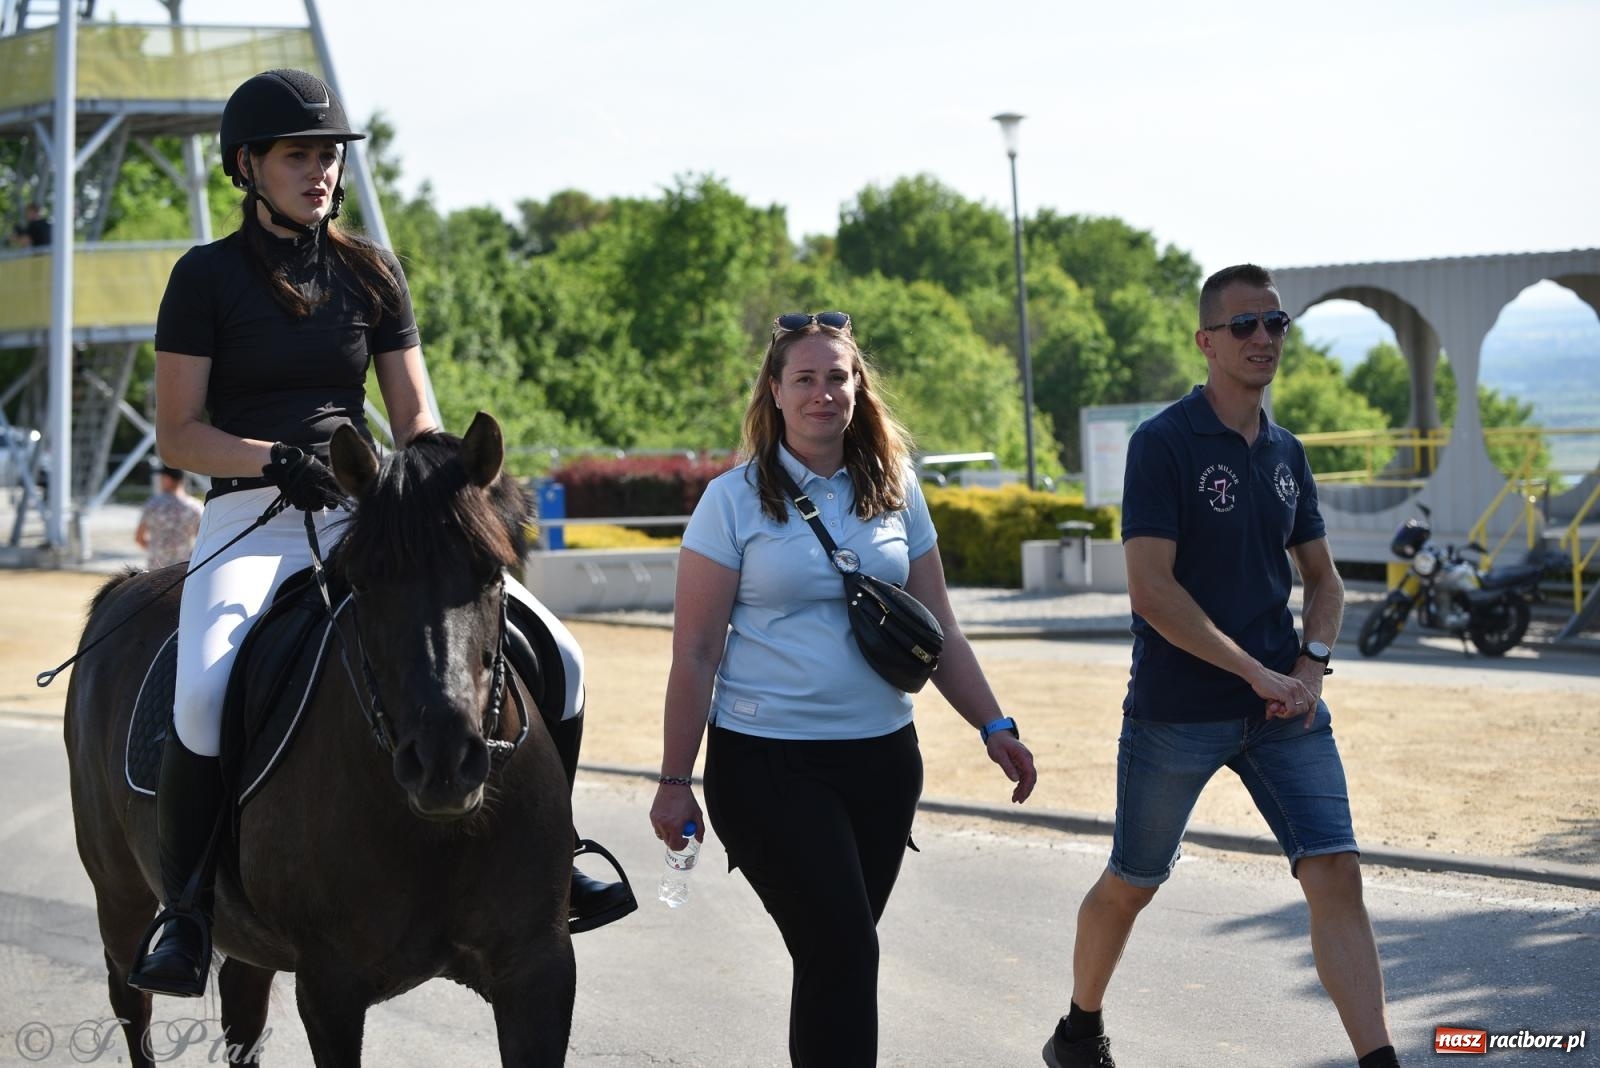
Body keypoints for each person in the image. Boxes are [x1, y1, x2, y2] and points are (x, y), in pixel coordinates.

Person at [128, 68, 633, 999]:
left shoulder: (371, 270)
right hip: (254, 520)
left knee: (558, 653)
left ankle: (557, 857)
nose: (320, 172)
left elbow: (415, 419)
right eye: (299, 156)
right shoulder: (203, 277)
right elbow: (178, 432)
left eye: (328, 156)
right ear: (248, 166)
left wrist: (444, 479)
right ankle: (189, 912)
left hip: (375, 517)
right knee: (202, 695)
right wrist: (276, 457)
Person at [649, 311, 1038, 1066]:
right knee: (845, 954)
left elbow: (941, 633)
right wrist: (674, 780)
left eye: (838, 377)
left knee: (834, 962)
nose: (823, 392)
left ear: (859, 387)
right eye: (806, 378)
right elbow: (695, 653)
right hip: (768, 765)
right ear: (775, 390)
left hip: (883, 765)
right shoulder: (732, 501)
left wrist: (994, 727)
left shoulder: (896, 489)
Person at [1040, 265, 1399, 1068]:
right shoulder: (1162, 444)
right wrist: (1253, 673)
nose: (1263, 338)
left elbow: (1325, 582)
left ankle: (1381, 1060)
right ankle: (1078, 1030)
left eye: (1275, 324)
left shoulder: (1286, 451)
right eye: (1244, 326)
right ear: (1206, 341)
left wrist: (1307, 666)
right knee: (1133, 881)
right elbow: (1152, 591)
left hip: (1283, 708)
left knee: (1335, 869)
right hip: (1178, 710)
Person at [134, 464, 203, 569]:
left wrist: (156, 549)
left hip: (156, 570)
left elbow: (139, 538)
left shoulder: (153, 505)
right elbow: (201, 541)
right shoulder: (195, 507)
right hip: (183, 569)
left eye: (162, 477)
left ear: (168, 478)